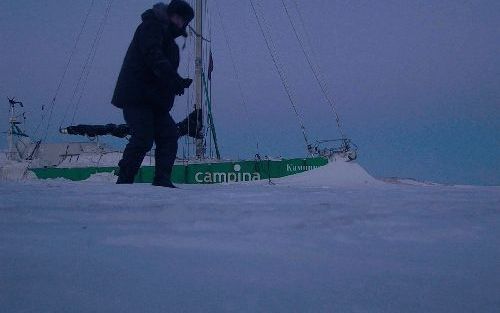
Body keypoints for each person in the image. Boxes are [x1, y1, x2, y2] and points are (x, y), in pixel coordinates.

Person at [112, 1, 195, 187]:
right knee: (143, 137)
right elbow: (153, 56)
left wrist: (176, 82)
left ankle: (162, 180)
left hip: (155, 102)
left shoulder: (170, 43)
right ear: (170, 13)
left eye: (184, 20)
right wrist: (174, 79)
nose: (180, 22)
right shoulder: (151, 27)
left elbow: (162, 67)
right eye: (178, 17)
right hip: (137, 97)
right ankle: (124, 181)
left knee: (169, 135)